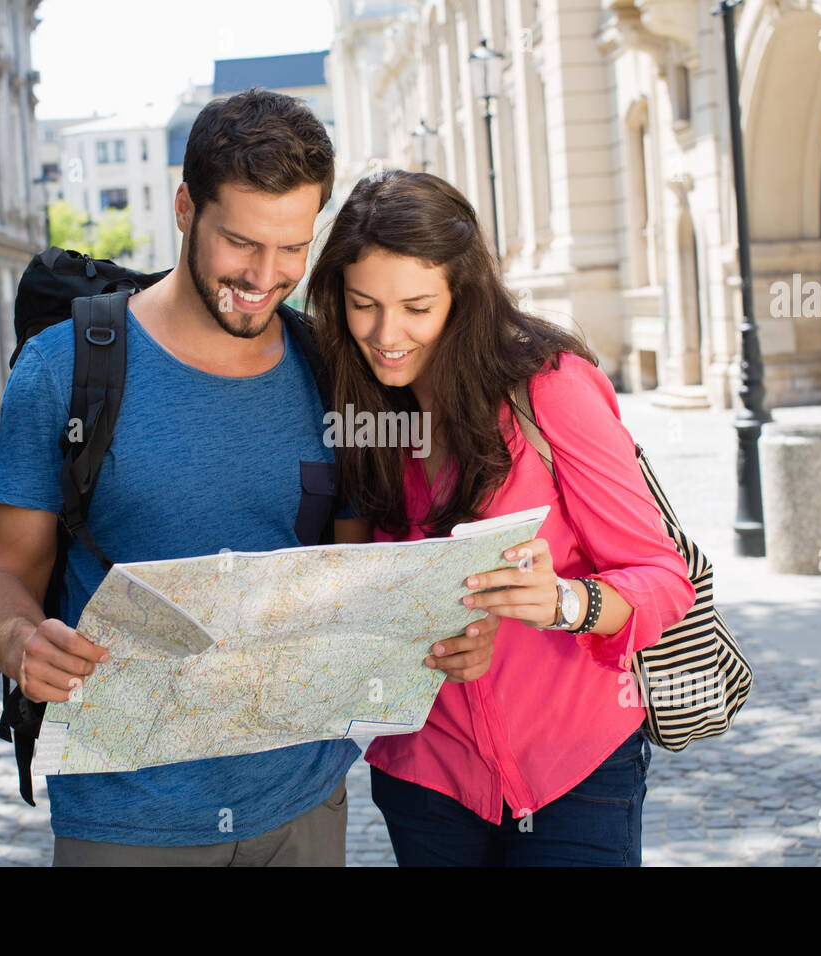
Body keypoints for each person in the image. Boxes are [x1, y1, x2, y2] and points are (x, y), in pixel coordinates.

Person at [0, 91, 499, 866]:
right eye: (241, 243)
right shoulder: (66, 368)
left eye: (293, 247)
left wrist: (439, 633)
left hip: (303, 800)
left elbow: (355, 576)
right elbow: (4, 573)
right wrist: (21, 642)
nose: (266, 275)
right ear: (186, 208)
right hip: (126, 812)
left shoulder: (331, 367)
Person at [305, 170, 698, 866]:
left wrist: (565, 601)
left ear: (465, 295)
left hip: (575, 773)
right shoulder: (354, 408)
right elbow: (351, 590)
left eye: (416, 307)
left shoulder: (549, 390)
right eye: (364, 305)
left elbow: (664, 580)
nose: (386, 334)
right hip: (425, 779)